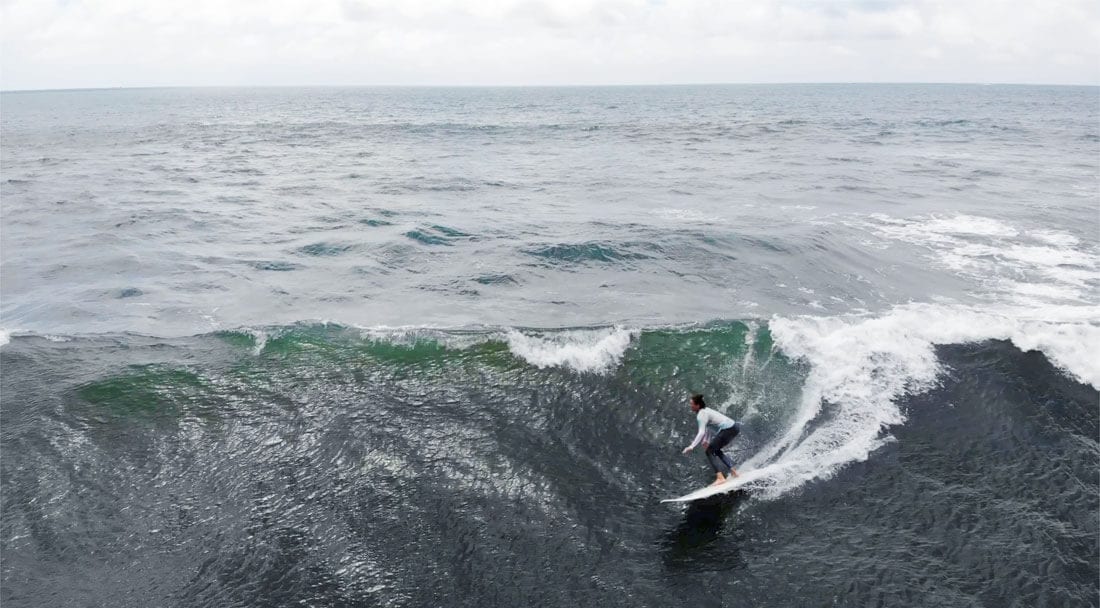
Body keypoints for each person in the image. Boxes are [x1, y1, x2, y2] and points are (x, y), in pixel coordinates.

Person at [681, 394, 741, 486]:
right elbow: (707, 428)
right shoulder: (706, 410)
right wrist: (706, 440)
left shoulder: (701, 414)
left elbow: (701, 432)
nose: (691, 406)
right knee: (715, 450)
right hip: (734, 427)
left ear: (697, 405)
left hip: (728, 429)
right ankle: (734, 472)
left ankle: (720, 478)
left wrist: (691, 446)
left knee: (709, 452)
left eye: (692, 404)